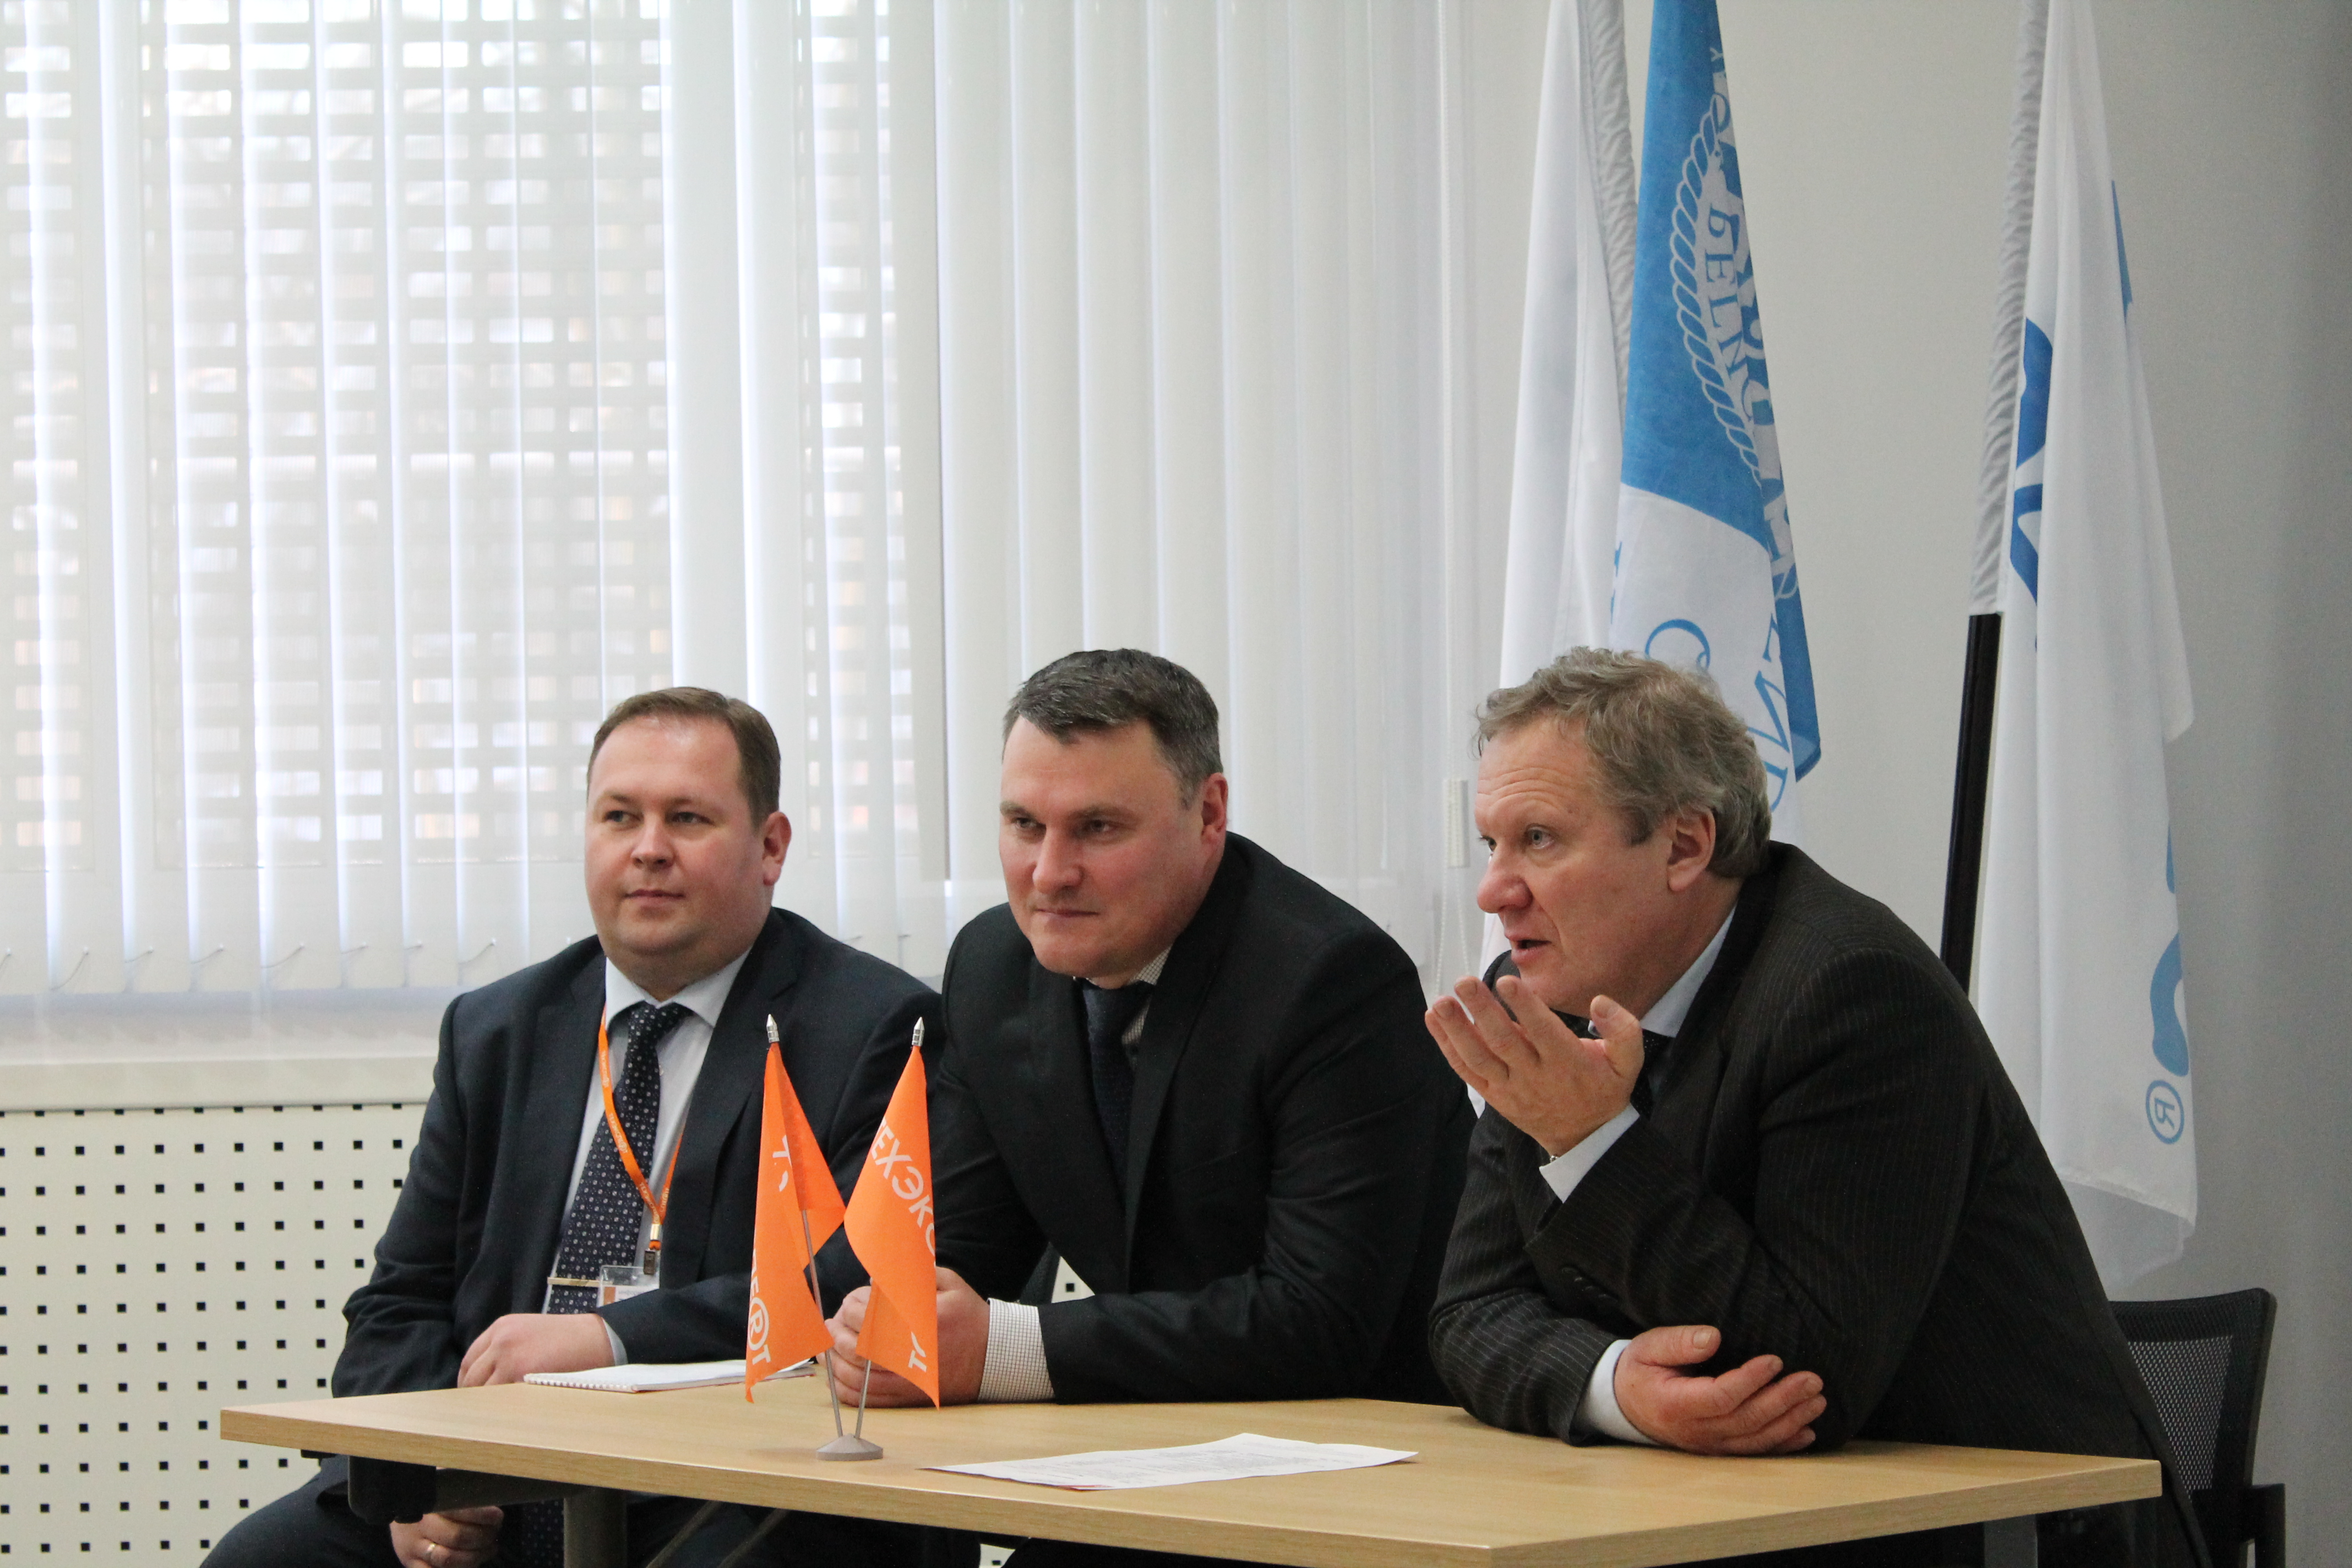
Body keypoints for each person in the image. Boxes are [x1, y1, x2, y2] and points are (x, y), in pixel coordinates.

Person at [1423, 650, 2204, 1568]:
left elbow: (1803, 1379)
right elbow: (1469, 1312)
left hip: (2012, 1536)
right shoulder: (1543, 996)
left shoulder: (1850, 991)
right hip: (1733, 1525)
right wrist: (1617, 1387)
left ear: (1685, 846)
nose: (1496, 890)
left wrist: (1590, 1140)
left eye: (1540, 840)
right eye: (1492, 844)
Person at [205, 688, 937, 1568]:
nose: (649, 849)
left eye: (688, 818)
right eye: (619, 816)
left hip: (720, 1478)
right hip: (494, 1474)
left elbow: (850, 1288)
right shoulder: (498, 1029)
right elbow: (399, 1304)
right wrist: (418, 1478)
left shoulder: (873, 1028)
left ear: (771, 847)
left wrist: (610, 1340)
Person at [824, 649, 1470, 1564]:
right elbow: (961, 1244)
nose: (1049, 873)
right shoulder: (994, 966)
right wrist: (883, 1323)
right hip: (1146, 1444)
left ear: (1208, 814)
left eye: (1097, 828)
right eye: (1023, 824)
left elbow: (1317, 1320)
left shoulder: (1328, 980)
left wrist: (999, 1349)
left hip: (1365, 1474)